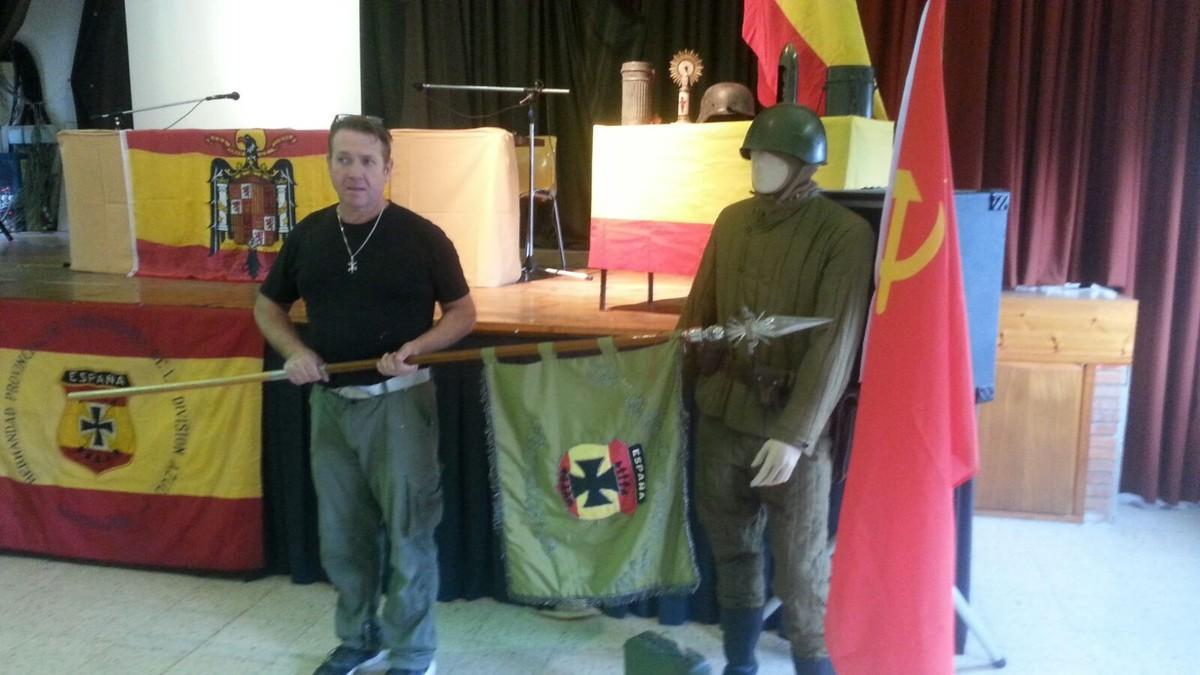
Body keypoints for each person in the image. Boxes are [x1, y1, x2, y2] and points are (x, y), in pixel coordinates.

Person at [254, 114, 476, 675]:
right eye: (344, 160)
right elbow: (267, 306)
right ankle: (359, 639)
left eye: (367, 161)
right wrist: (294, 352)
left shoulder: (422, 236)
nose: (355, 172)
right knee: (343, 538)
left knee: (408, 534)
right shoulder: (308, 234)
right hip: (330, 406)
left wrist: (419, 346)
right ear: (329, 164)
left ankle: (412, 652)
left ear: (387, 169)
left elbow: (462, 313)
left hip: (400, 402)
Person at [676, 103, 873, 675]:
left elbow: (834, 347)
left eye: (772, 156)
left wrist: (793, 437)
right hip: (722, 413)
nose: (758, 165)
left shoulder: (844, 235)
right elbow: (698, 314)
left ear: (802, 163)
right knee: (732, 551)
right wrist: (672, 388)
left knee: (802, 570)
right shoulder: (732, 221)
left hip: (793, 431)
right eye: (754, 154)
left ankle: (814, 664)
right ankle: (741, 664)